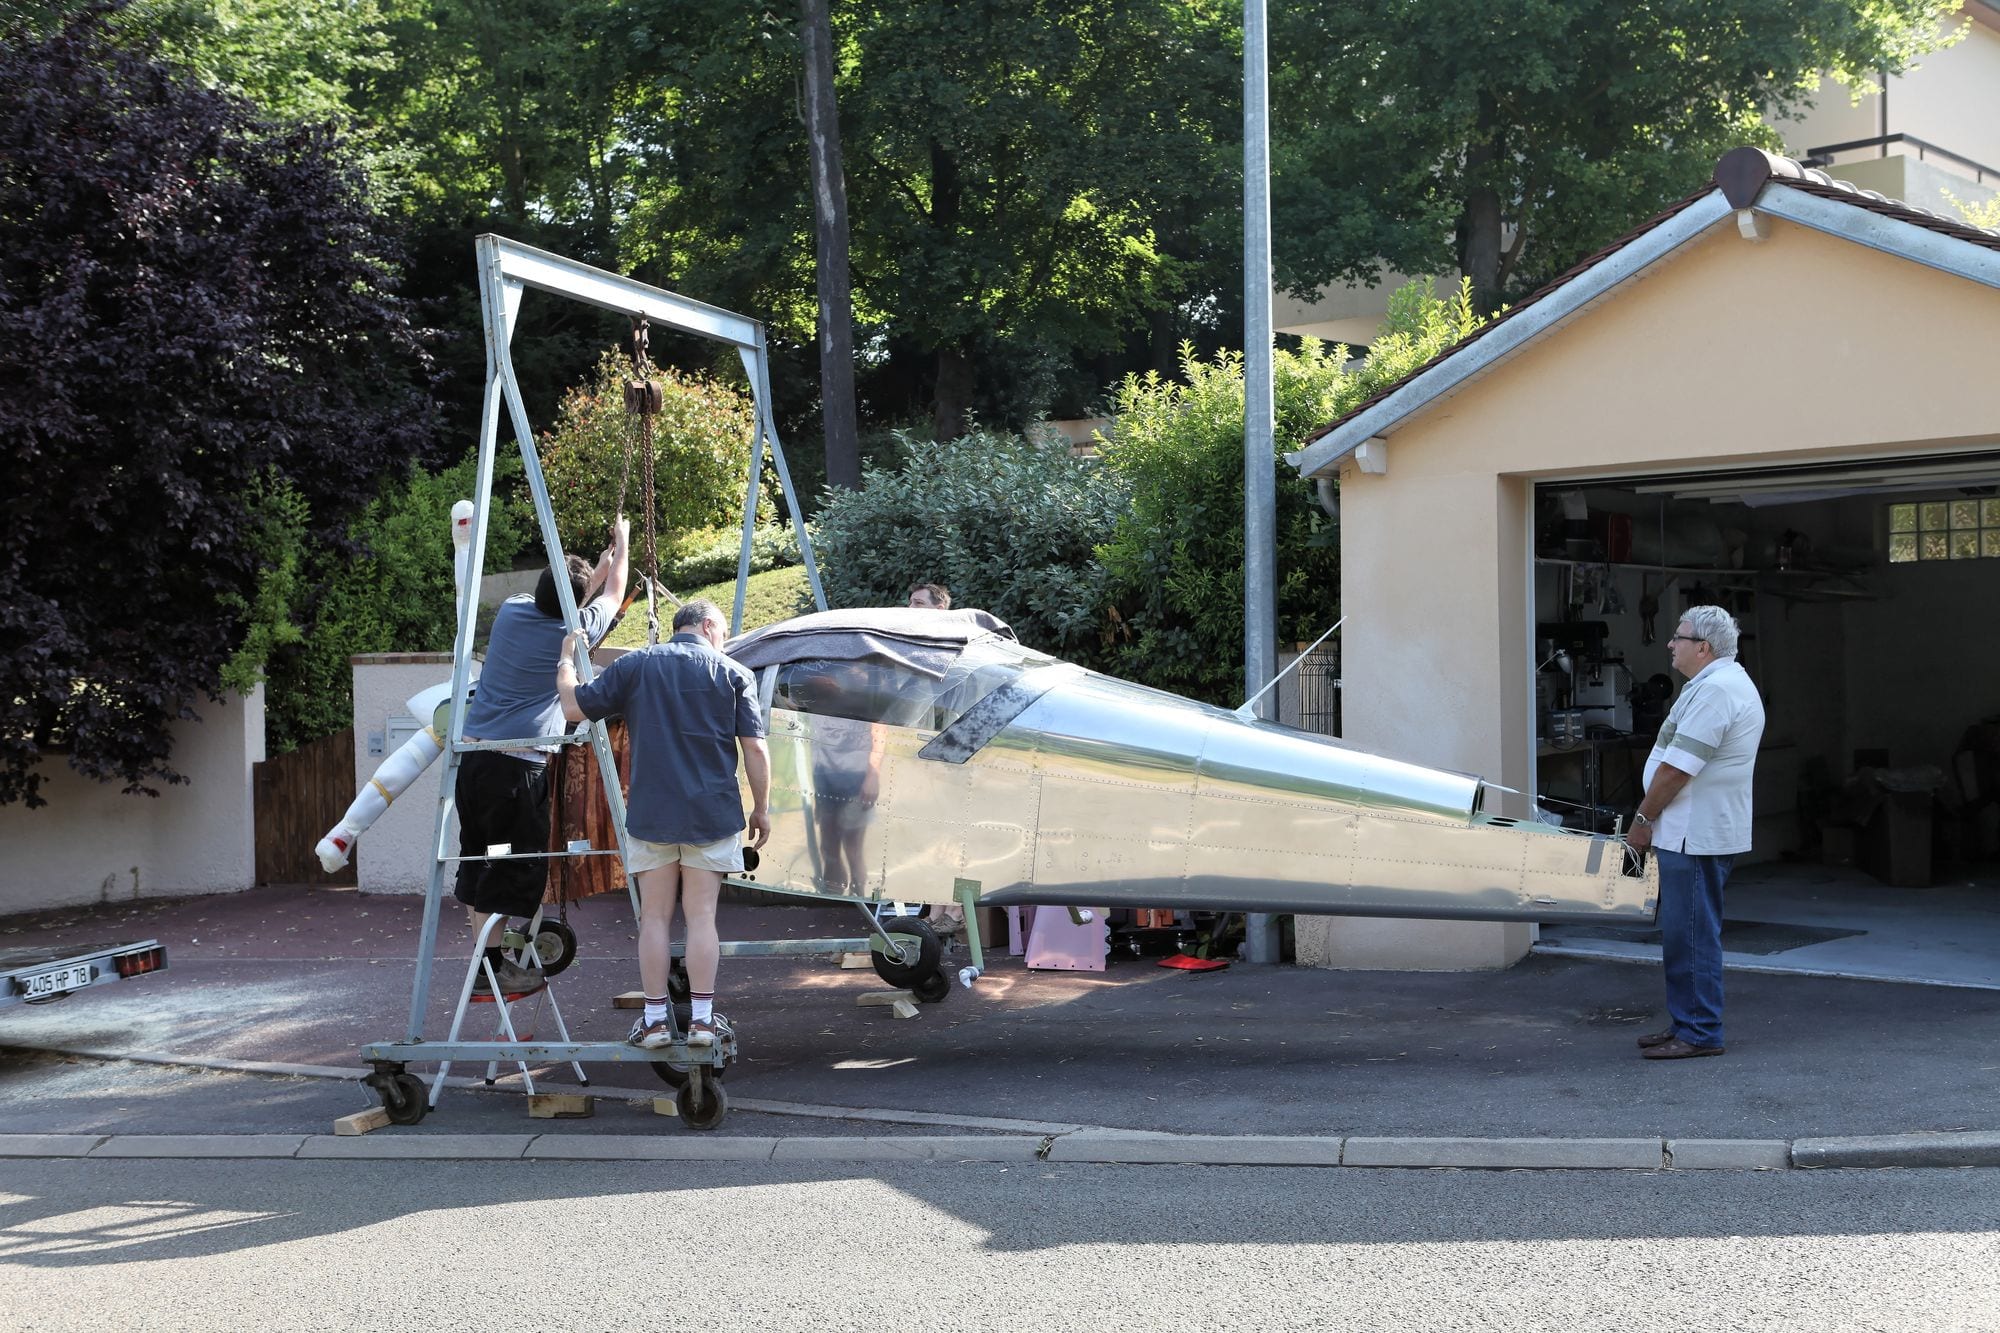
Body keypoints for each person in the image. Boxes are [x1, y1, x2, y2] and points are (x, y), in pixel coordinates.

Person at [557, 599, 771, 1049]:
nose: (724, 641)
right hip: (712, 814)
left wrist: (565, 661)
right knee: (702, 917)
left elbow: (573, 707)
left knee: (654, 917)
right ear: (709, 626)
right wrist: (762, 807)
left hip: (652, 814)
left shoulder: (636, 665)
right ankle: (703, 1021)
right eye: (722, 632)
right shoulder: (734, 673)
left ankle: (654, 1020)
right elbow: (755, 747)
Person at [454, 517, 628, 996]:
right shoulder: (572, 634)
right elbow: (615, 595)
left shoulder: (511, 611)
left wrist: (596, 571)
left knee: (480, 860)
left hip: (475, 761)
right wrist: (622, 544)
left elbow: (576, 600)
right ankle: (492, 969)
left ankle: (488, 963)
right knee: (516, 866)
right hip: (517, 770)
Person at [1624, 604, 1765, 1060]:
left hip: (1694, 835)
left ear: (1702, 647)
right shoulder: (1714, 684)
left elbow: (1676, 770)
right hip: (1692, 832)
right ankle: (1688, 1022)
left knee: (1690, 936)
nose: (1670, 644)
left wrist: (1642, 821)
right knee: (1684, 934)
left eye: (1678, 637)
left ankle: (1700, 1031)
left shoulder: (1717, 691)